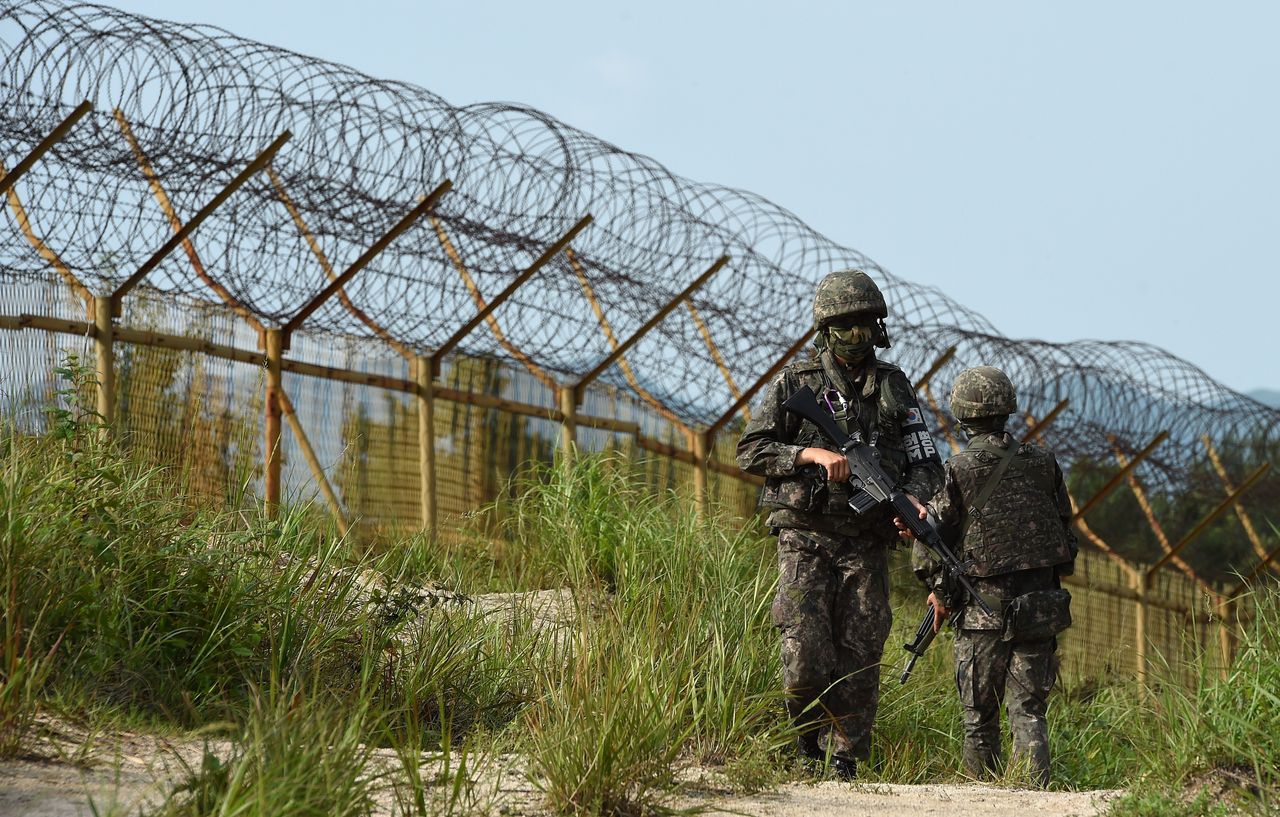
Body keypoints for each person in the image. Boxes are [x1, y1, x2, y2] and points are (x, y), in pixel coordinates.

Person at [736, 269, 943, 777]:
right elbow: (750, 450)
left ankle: (845, 763)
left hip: (866, 542)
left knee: (862, 650)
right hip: (805, 534)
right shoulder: (796, 382)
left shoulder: (894, 387)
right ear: (825, 329)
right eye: (845, 325)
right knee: (805, 650)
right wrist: (810, 454)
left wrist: (912, 503)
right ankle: (803, 746)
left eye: (865, 324)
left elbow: (926, 463)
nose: (856, 335)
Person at [897, 365, 1077, 788]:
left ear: (961, 415)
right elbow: (1065, 534)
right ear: (1007, 410)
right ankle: (1036, 800)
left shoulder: (958, 470)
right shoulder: (1044, 464)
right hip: (1039, 610)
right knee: (1029, 712)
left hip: (983, 615)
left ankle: (980, 798)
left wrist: (940, 592)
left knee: (980, 718)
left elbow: (929, 542)